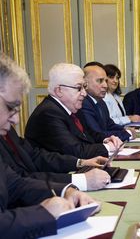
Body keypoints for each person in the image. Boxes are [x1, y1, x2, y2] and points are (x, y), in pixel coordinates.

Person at [0, 53, 99, 238]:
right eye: (10, 107)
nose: (16, 119)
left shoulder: (5, 129)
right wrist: (44, 213)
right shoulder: (48, 113)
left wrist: (66, 190)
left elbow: (16, 183)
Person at [25, 63, 122, 159]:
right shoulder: (48, 113)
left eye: (84, 87)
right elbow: (75, 151)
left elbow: (89, 134)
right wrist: (108, 147)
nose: (84, 93)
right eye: (79, 88)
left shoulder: (72, 108)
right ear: (59, 90)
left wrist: (106, 140)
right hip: (57, 172)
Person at [1, 127, 111, 191]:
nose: (16, 119)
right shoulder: (49, 111)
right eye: (10, 107)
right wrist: (81, 180)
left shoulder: (8, 127)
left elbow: (35, 156)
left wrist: (81, 163)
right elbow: (18, 178)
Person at [78, 62, 132, 141]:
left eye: (106, 81)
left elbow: (110, 125)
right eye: (100, 81)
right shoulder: (83, 103)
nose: (105, 86)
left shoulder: (101, 102)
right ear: (85, 83)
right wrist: (127, 133)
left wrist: (126, 130)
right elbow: (97, 134)